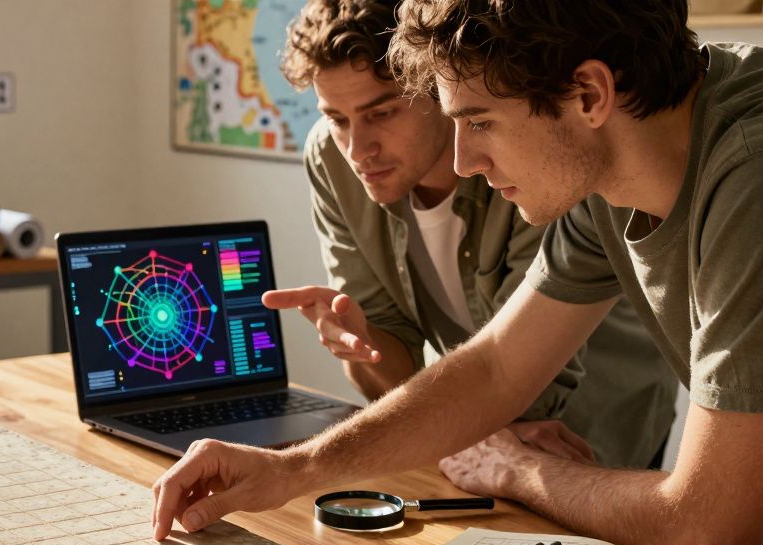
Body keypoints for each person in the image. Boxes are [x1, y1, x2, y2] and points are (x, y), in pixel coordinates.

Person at [152, 0, 763, 545]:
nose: (464, 161)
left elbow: (707, 527)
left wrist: (523, 470)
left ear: (588, 94)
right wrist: (290, 469)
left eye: (480, 122)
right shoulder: (602, 165)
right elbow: (496, 367)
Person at [267, 0, 674, 474]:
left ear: (439, 88)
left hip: (594, 429)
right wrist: (359, 343)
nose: (358, 149)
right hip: (469, 437)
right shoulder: (331, 159)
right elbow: (394, 373)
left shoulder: (535, 159)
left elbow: (526, 387)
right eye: (337, 119)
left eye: (382, 113)